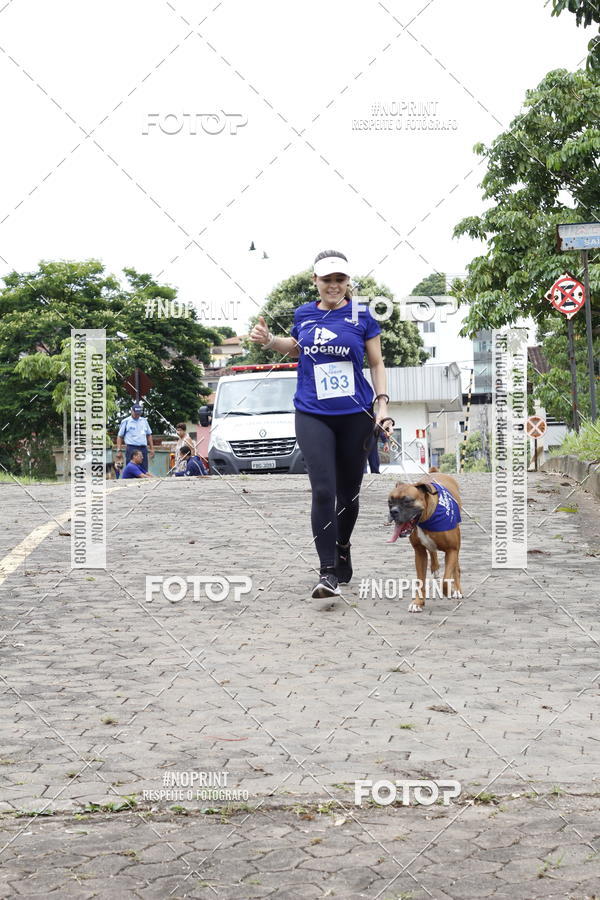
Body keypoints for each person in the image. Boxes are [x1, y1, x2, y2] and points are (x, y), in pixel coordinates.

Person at [250, 249, 392, 599]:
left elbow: (376, 363)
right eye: (327, 279)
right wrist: (270, 341)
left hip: (355, 415)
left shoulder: (362, 315)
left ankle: (342, 546)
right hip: (312, 412)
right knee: (324, 491)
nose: (333, 285)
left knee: (349, 495)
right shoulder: (304, 313)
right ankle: (327, 571)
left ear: (348, 281)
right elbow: (296, 348)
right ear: (315, 281)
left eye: (339, 279)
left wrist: (382, 406)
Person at [116, 404, 154, 473]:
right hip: (131, 448)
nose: (137, 415)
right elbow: (120, 436)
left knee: (144, 470)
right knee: (131, 469)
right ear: (132, 411)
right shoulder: (126, 421)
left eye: (139, 414)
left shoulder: (144, 421)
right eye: (136, 413)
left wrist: (152, 449)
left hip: (143, 448)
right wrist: (119, 450)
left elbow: (149, 435)